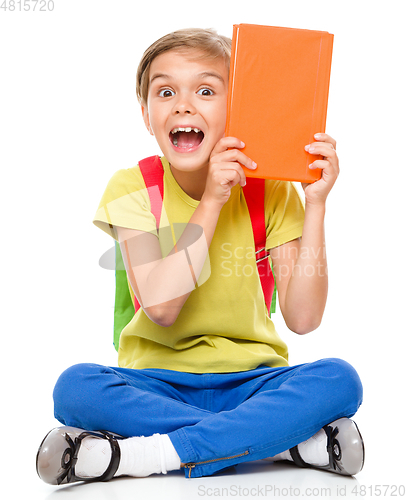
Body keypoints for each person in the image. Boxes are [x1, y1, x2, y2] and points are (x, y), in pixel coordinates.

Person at [36, 28, 364, 485]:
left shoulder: (271, 190)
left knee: (339, 380)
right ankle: (281, 443)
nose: (183, 105)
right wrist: (211, 200)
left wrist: (317, 204)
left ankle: (138, 456)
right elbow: (163, 307)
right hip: (155, 383)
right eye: (165, 91)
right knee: (76, 389)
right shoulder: (133, 187)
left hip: (253, 383)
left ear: (239, 112)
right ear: (147, 116)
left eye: (206, 91)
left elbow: (304, 318)